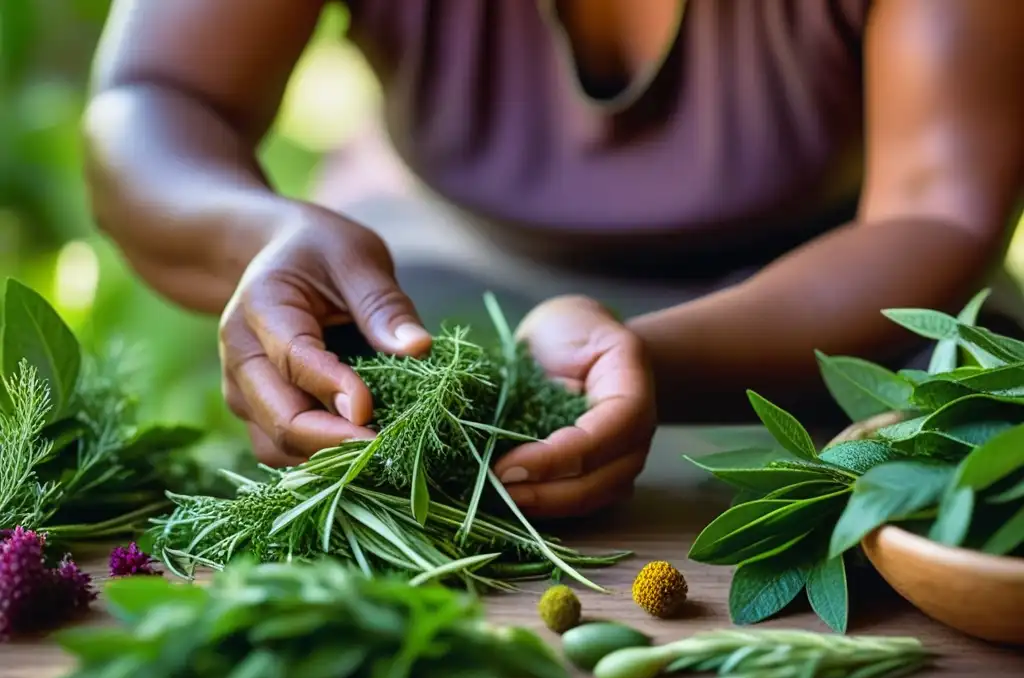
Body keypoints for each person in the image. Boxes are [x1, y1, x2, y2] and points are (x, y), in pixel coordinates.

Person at [83, 0, 1024, 518]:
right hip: (444, 286)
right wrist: (261, 234)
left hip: (847, 308)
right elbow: (155, 97)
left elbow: (937, 211)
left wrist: (655, 357)